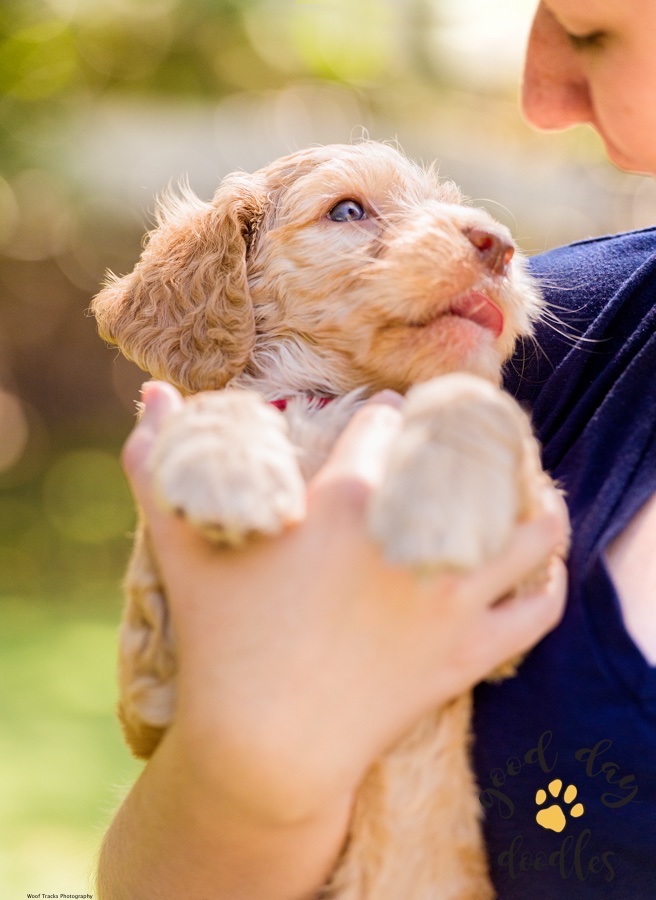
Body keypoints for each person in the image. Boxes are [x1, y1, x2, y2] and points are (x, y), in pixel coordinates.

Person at [96, 1, 656, 897]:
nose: (490, 240)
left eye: (589, 30)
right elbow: (152, 709)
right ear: (225, 279)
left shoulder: (490, 400)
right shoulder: (576, 326)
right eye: (350, 210)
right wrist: (220, 426)